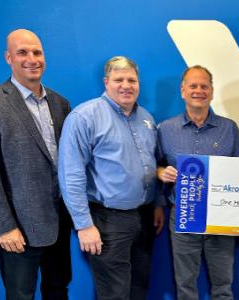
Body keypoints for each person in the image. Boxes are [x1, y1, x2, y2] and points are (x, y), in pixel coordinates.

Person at [0, 29, 72, 300]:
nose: (32, 59)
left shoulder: (61, 104)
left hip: (60, 221)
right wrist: (3, 226)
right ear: (8, 57)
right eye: (22, 52)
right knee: (20, 295)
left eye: (37, 52)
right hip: (19, 228)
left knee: (58, 289)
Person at [58, 56, 164, 300]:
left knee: (139, 287)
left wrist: (157, 204)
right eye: (119, 79)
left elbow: (153, 163)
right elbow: (70, 175)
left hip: (145, 217)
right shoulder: (85, 117)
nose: (126, 85)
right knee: (114, 294)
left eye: (132, 80)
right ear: (106, 82)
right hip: (107, 222)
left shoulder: (146, 118)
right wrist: (83, 225)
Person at [157, 65, 239, 300]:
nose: (199, 90)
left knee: (223, 285)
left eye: (204, 86)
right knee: (185, 284)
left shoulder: (229, 128)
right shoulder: (165, 129)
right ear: (183, 90)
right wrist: (162, 172)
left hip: (221, 218)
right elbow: (156, 165)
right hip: (183, 216)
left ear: (212, 91)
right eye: (193, 86)